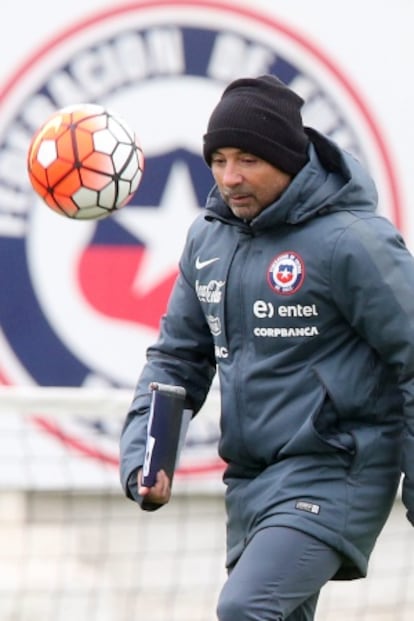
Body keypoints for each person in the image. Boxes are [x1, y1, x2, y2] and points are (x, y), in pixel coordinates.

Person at [119, 74, 414, 620]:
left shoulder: (353, 241)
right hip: (251, 482)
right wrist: (147, 457)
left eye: (249, 160)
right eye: (220, 159)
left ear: (289, 159)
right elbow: (177, 360)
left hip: (337, 471)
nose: (230, 178)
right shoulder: (207, 240)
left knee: (245, 609)